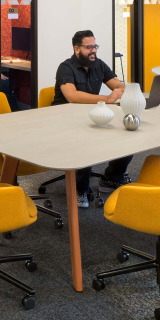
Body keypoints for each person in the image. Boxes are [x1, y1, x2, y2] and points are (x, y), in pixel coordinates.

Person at [52, 30, 130, 208]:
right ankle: (80, 190)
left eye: (95, 46)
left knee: (128, 131)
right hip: (63, 118)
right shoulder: (66, 67)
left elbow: (115, 84)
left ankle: (111, 179)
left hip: (92, 115)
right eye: (89, 47)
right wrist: (107, 99)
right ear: (77, 49)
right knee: (84, 143)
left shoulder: (99, 65)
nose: (93, 50)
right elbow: (72, 96)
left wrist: (128, 89)